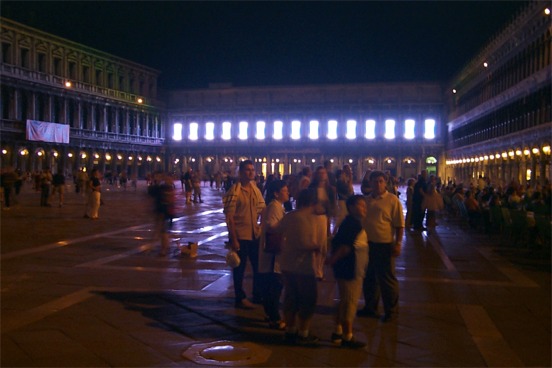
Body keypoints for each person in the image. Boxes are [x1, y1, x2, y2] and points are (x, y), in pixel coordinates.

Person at [278, 188, 325, 346]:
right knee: (307, 300)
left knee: (290, 298)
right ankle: (303, 332)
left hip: (287, 264)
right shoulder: (320, 219)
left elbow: (276, 231)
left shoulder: (290, 216)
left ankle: (290, 330)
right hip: (307, 267)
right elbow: (322, 245)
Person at [358, 170, 404, 322]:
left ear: (385, 183)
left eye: (380, 181)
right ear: (370, 183)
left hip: (385, 244)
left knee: (387, 279)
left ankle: (391, 310)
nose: (378, 184)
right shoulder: (366, 200)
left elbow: (399, 224)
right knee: (369, 278)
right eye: (375, 181)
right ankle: (370, 307)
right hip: (367, 244)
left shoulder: (392, 200)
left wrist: (398, 243)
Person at [327, 194, 369, 349]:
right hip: (351, 269)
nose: (364, 208)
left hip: (346, 268)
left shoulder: (348, 222)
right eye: (360, 205)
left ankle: (337, 331)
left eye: (365, 205)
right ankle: (347, 336)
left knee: (343, 300)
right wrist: (333, 260)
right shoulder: (353, 224)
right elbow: (344, 247)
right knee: (350, 303)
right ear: (351, 207)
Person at [223, 160, 266, 309]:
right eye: (247, 170)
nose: (251, 172)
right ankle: (239, 298)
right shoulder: (234, 192)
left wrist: (260, 225)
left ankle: (258, 294)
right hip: (240, 236)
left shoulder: (256, 190)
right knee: (239, 269)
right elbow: (229, 218)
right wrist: (233, 239)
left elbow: (262, 210)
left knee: (258, 267)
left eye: (252, 170)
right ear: (240, 173)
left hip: (254, 235)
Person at [258, 179, 289, 330]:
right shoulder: (274, 207)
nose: (287, 192)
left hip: (273, 254)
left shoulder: (277, 206)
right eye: (284, 190)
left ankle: (270, 314)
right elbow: (271, 226)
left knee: (272, 285)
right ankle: (274, 317)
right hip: (272, 254)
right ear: (276, 193)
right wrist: (287, 224)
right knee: (274, 286)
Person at [308, 165, 336, 280]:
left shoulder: (330, 189)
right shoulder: (311, 188)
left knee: (323, 246)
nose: (322, 175)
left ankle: (320, 270)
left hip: (324, 218)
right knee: (313, 244)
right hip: (313, 218)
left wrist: (329, 221)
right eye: (319, 173)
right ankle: (314, 270)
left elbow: (332, 206)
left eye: (323, 173)